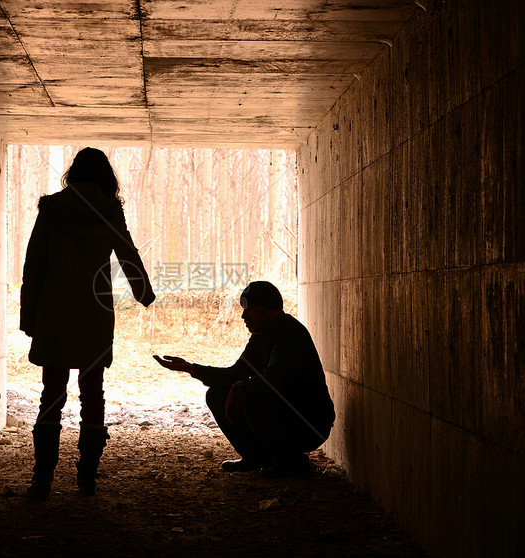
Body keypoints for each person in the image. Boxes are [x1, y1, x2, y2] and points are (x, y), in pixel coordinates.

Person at [20, 147, 155, 498]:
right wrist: (145, 294)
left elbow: (34, 263)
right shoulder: (110, 210)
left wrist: (29, 316)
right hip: (94, 312)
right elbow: (127, 252)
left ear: (73, 174)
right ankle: (87, 478)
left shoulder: (51, 209)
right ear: (104, 177)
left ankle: (42, 479)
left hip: (54, 310)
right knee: (92, 393)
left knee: (51, 394)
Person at [154, 281, 334, 477]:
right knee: (217, 395)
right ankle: (256, 458)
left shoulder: (290, 334)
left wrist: (238, 389)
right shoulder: (262, 335)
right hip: (288, 413)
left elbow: (272, 383)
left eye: (249, 309)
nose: (243, 316)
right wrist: (192, 368)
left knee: (251, 395)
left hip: (310, 424)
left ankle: (291, 462)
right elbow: (235, 373)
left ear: (266, 311)